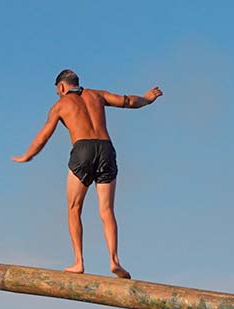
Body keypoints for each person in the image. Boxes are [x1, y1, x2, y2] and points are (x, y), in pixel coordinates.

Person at [12, 69, 162, 278]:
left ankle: (78, 261)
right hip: (106, 148)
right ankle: (114, 260)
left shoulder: (60, 105)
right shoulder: (97, 95)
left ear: (62, 87)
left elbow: (44, 135)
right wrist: (147, 99)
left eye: (57, 91)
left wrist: (28, 155)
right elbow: (127, 101)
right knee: (107, 209)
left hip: (83, 149)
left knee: (74, 207)